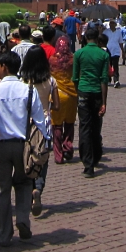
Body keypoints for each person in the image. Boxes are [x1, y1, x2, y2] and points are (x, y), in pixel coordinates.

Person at [0, 52, 51, 246]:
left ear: (5, 67)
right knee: (24, 184)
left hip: (0, 145)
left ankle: (3, 233)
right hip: (23, 146)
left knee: (1, 189)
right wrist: (44, 144)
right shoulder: (28, 90)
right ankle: (23, 219)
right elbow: (40, 121)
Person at [19, 46, 59, 216]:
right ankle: (39, 188)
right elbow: (57, 105)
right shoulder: (50, 80)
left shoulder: (23, 82)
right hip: (44, 124)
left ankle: (29, 188)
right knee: (42, 158)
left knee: (27, 156)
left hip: (26, 124)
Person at [72, 27, 110, 177]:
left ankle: (87, 164)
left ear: (86, 38)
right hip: (97, 93)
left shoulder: (79, 53)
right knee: (96, 126)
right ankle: (95, 157)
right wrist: (104, 102)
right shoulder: (103, 54)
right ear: (97, 38)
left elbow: (75, 77)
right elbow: (104, 80)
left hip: (83, 91)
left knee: (84, 127)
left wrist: (78, 92)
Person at [50, 19, 78, 164]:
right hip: (72, 95)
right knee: (69, 123)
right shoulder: (74, 59)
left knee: (56, 126)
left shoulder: (52, 60)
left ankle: (58, 154)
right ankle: (68, 147)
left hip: (57, 94)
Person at [103, 18, 124, 88]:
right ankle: (109, 79)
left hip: (116, 51)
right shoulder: (106, 31)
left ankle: (116, 80)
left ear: (115, 24)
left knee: (115, 66)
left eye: (112, 23)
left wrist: (123, 51)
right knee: (108, 66)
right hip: (108, 51)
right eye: (110, 23)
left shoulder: (118, 32)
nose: (111, 24)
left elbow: (121, 42)